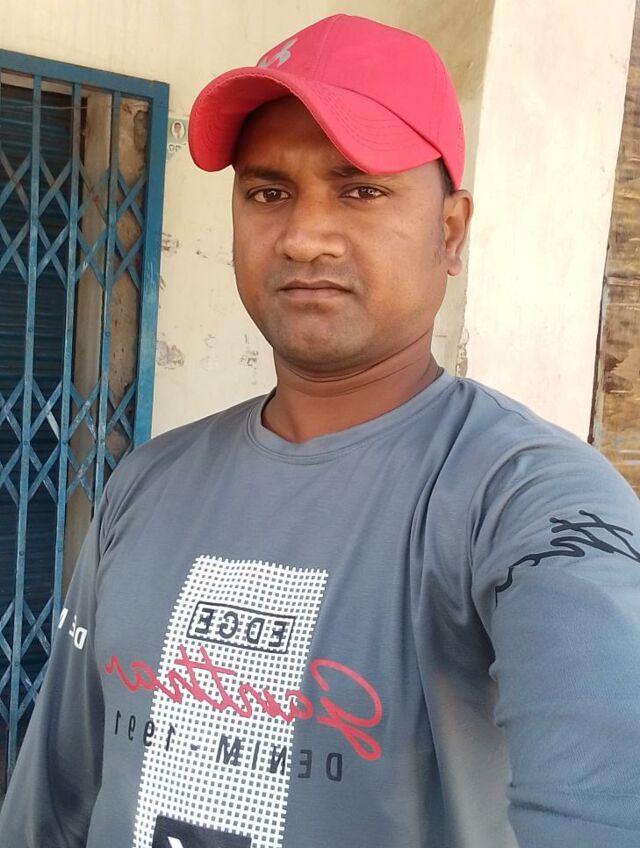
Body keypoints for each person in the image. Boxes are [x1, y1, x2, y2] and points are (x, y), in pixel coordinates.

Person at [1, 13, 639, 848]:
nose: (303, 237)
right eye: (268, 192)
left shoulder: (527, 497)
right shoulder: (147, 482)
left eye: (360, 189)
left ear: (450, 232)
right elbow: (55, 800)